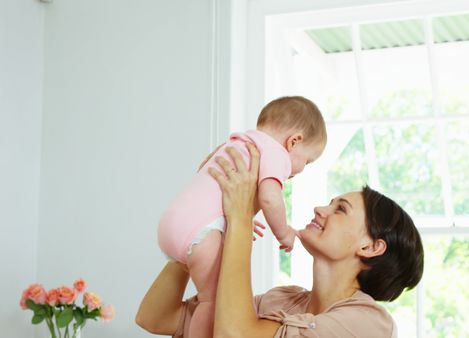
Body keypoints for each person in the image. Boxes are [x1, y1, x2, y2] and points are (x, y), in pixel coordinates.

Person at [137, 143, 424, 337]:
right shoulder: (282, 299)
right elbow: (156, 317)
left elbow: (236, 334)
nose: (320, 209)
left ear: (371, 246)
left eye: (340, 209)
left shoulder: (368, 323)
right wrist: (204, 222)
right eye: (330, 202)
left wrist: (240, 219)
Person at [156, 96, 327, 338]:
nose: (300, 170)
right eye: (307, 161)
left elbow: (211, 187)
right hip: (200, 232)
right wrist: (284, 231)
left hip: (174, 222)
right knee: (212, 300)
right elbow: (270, 198)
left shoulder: (236, 143)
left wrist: (233, 220)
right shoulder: (275, 153)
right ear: (294, 141)